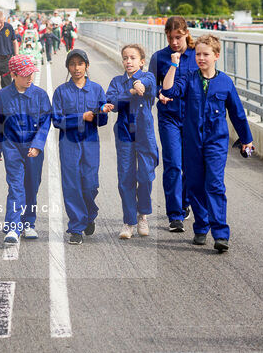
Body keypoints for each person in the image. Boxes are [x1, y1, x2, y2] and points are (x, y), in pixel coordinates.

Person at [161, 34, 254, 253]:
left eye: (206, 54)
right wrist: (174, 65)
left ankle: (220, 234)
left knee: (214, 185)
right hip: (192, 141)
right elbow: (168, 90)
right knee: (194, 185)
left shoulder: (225, 82)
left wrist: (247, 140)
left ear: (216, 56)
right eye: (198, 54)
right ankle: (201, 227)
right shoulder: (189, 78)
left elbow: (238, 114)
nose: (201, 58)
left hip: (216, 142)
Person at [0, 55, 52, 244]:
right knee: (16, 186)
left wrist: (37, 145)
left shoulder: (40, 95)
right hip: (12, 146)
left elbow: (45, 122)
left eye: (31, 74)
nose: (30, 78)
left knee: (32, 186)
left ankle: (29, 223)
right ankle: (13, 226)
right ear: (13, 75)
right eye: (25, 75)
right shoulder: (2, 96)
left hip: (33, 146)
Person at [102, 44, 159, 240]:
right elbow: (113, 102)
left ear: (142, 61)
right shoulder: (117, 81)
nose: (128, 61)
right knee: (126, 177)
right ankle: (129, 222)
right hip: (125, 133)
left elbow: (149, 84)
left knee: (145, 175)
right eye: (125, 58)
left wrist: (139, 84)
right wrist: (132, 91)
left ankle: (142, 214)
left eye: (133, 58)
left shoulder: (148, 77)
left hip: (144, 133)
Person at [51, 50, 107, 245]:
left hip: (90, 141)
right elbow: (57, 120)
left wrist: (101, 112)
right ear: (68, 67)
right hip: (69, 142)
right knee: (72, 184)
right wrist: (80, 117)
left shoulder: (97, 89)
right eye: (72, 64)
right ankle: (76, 227)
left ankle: (90, 214)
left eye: (80, 64)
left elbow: (102, 121)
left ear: (87, 66)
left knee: (90, 184)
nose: (76, 68)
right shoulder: (61, 91)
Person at [148, 16, 197, 232]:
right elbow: (151, 86)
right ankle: (175, 215)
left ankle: (185, 202)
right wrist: (159, 93)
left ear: (186, 33)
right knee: (173, 165)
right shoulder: (159, 57)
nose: (174, 42)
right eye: (170, 38)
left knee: (190, 166)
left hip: (193, 117)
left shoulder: (198, 55)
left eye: (178, 37)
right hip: (169, 116)